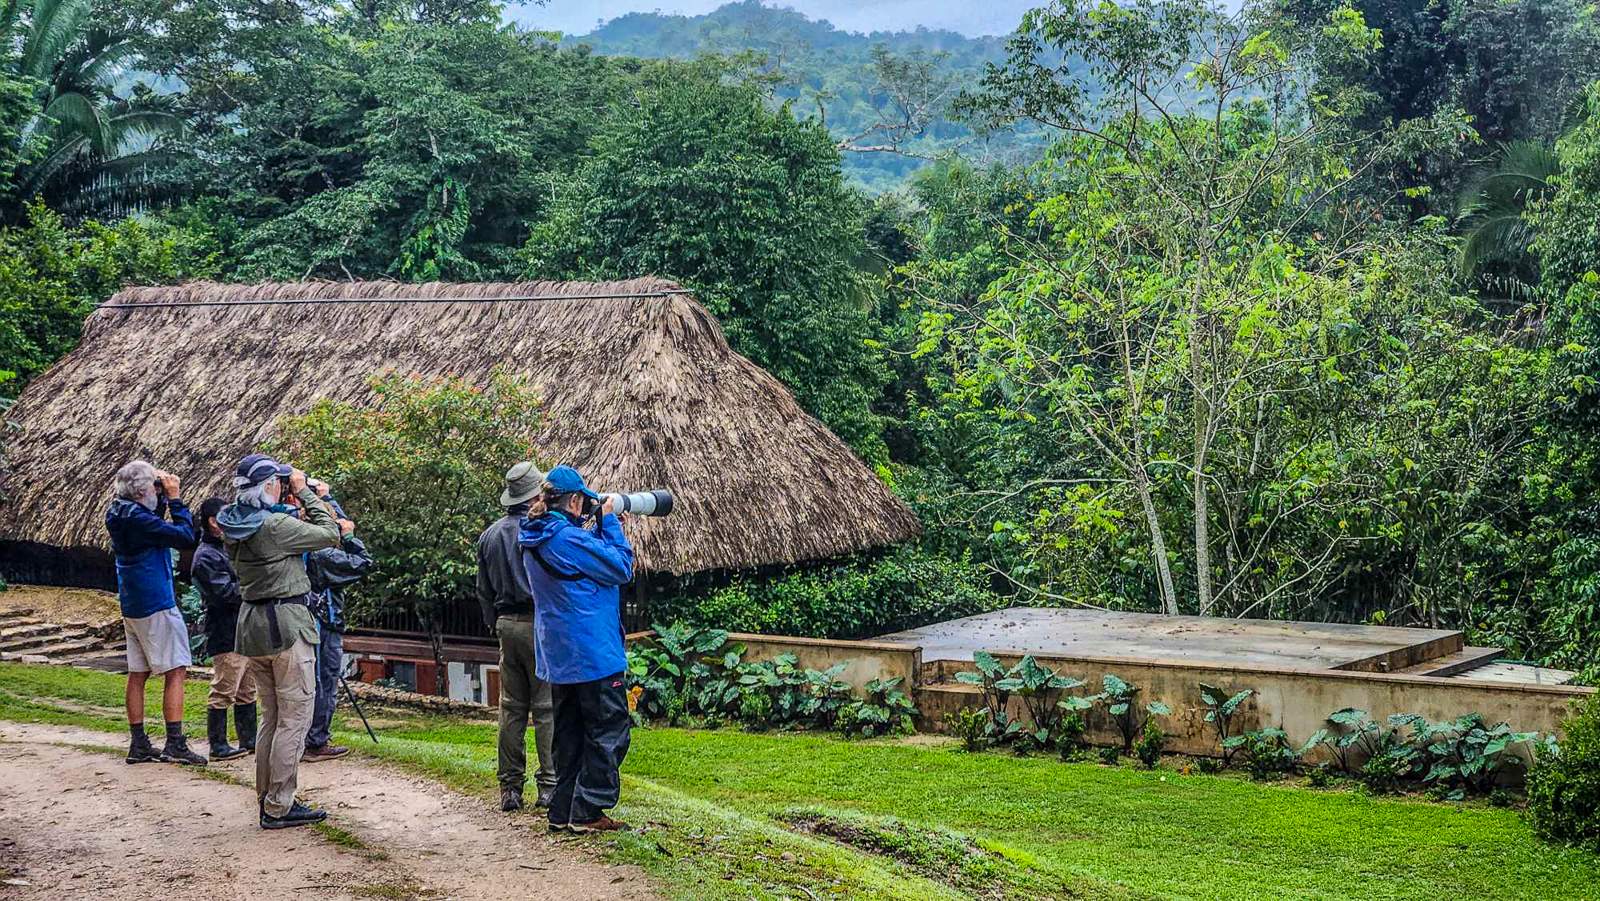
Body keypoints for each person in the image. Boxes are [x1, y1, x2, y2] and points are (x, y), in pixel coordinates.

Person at [218, 453, 341, 829]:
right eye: (279, 482)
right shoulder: (273, 527)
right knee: (295, 719)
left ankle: (268, 797)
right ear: (270, 487)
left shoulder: (234, 524)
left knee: (271, 718)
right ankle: (280, 805)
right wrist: (306, 493)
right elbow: (330, 533)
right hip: (286, 625)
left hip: (254, 623)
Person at [518, 464, 635, 833]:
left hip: (559, 655)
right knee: (609, 731)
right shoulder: (567, 539)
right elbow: (621, 567)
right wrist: (609, 518)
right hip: (593, 653)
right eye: (582, 502)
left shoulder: (535, 536)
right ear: (572, 500)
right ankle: (588, 809)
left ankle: (562, 810)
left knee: (568, 734)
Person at [105, 460, 207, 766]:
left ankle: (139, 743)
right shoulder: (141, 521)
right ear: (140, 492)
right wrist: (175, 499)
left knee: (138, 673)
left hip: (132, 604)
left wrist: (159, 497)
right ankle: (175, 743)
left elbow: (153, 519)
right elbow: (185, 537)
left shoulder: (119, 512)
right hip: (156, 602)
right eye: (153, 487)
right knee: (176, 670)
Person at [477, 461, 557, 813]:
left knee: (510, 708)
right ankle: (549, 785)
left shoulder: (490, 535)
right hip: (536, 622)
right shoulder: (538, 529)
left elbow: (482, 589)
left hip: (505, 623)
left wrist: (493, 623)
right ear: (535, 494)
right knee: (545, 708)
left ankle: (510, 787)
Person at [302, 480, 373, 762]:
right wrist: (350, 537)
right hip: (325, 624)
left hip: (309, 621)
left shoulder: (303, 543)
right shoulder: (324, 556)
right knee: (325, 681)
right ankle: (316, 740)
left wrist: (326, 497)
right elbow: (362, 562)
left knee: (311, 682)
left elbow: (336, 522)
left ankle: (307, 737)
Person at [191, 497, 256, 761]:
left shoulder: (226, 548)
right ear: (213, 522)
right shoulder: (206, 556)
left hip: (244, 628)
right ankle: (217, 745)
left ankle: (248, 739)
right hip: (225, 630)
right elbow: (224, 594)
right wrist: (254, 587)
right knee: (224, 688)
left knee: (247, 687)